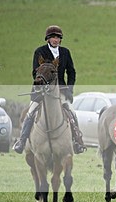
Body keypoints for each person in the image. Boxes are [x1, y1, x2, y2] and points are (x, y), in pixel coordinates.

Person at [13, 25, 86, 154]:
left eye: (58, 37)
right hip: (41, 91)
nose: (55, 39)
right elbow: (35, 72)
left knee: (72, 113)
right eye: (53, 37)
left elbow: (71, 72)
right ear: (48, 39)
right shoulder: (39, 51)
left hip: (60, 91)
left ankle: (77, 142)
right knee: (30, 112)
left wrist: (69, 88)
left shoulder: (65, 52)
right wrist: (42, 86)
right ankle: (21, 141)